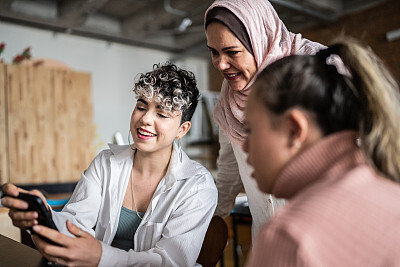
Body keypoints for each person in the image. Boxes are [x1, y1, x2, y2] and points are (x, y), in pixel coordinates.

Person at [1, 63, 218, 266]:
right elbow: (75, 223)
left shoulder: (197, 186)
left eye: (161, 113)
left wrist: (100, 256)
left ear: (183, 129)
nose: (145, 119)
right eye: (142, 107)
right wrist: (45, 216)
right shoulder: (106, 163)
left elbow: (170, 261)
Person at [243, 38, 400, 266]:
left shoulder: (289, 237)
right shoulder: (389, 190)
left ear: (294, 130)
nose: (245, 146)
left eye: (250, 129)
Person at [204, 0, 325, 236]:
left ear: (260, 38)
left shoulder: (319, 70)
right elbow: (229, 166)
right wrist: (211, 219)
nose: (221, 64)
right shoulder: (231, 95)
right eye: (213, 52)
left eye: (232, 52)